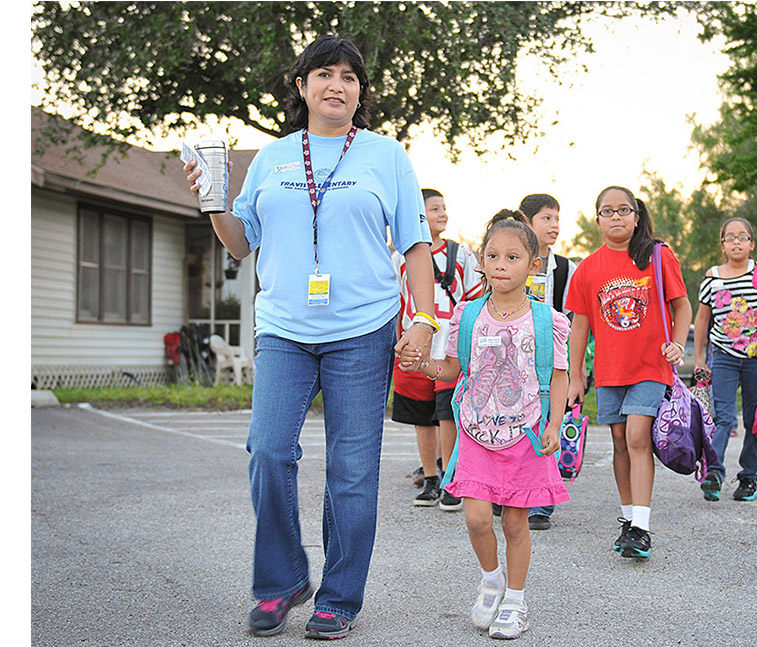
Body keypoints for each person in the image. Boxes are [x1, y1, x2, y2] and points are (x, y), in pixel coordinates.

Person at [183, 36, 436, 640]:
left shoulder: (385, 156)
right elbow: (241, 242)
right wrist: (210, 200)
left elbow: (416, 245)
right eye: (324, 74)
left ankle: (339, 598)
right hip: (284, 328)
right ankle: (281, 580)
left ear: (359, 93)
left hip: (363, 328)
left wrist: (424, 322)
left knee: (351, 470)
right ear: (302, 87)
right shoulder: (271, 157)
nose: (337, 86)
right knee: (268, 451)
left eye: (349, 77)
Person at [402, 210, 570, 639]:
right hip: (476, 434)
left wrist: (554, 424)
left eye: (512, 257)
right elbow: (454, 369)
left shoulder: (547, 320)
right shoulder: (468, 315)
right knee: (477, 519)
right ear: (481, 261)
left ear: (534, 265)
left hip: (526, 435)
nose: (500, 264)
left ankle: (515, 599)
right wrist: (424, 365)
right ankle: (491, 578)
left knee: (515, 523)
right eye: (493, 255)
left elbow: (559, 375)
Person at [565, 186, 691, 560]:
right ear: (598, 220)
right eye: (608, 211)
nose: (616, 217)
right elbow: (579, 328)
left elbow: (681, 306)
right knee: (619, 442)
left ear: (637, 216)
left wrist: (679, 344)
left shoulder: (657, 256)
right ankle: (629, 519)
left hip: (650, 365)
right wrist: (576, 376)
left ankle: (642, 527)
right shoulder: (588, 269)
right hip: (608, 371)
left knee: (638, 437)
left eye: (624, 210)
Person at [392, 188, 484, 509]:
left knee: (447, 413)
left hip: (450, 347)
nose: (442, 214)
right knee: (421, 415)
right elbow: (393, 302)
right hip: (414, 347)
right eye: (434, 209)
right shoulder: (398, 257)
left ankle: (450, 475)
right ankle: (430, 477)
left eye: (444, 208)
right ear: (417, 213)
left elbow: (474, 299)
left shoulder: (462, 256)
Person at [694, 218, 757, 503]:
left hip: (756, 360)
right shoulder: (712, 277)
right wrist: (700, 357)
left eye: (742, 237)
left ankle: (749, 478)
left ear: (752, 244)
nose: (736, 242)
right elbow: (702, 318)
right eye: (730, 237)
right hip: (723, 357)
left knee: (753, 420)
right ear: (723, 245)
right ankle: (714, 472)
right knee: (724, 417)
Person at [519, 193, 577, 531]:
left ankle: (541, 502)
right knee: (514, 420)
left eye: (557, 218)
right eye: (546, 218)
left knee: (548, 422)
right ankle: (509, 491)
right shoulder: (511, 259)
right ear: (526, 222)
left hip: (548, 357)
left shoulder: (566, 268)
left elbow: (571, 316)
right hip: (513, 356)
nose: (554, 225)